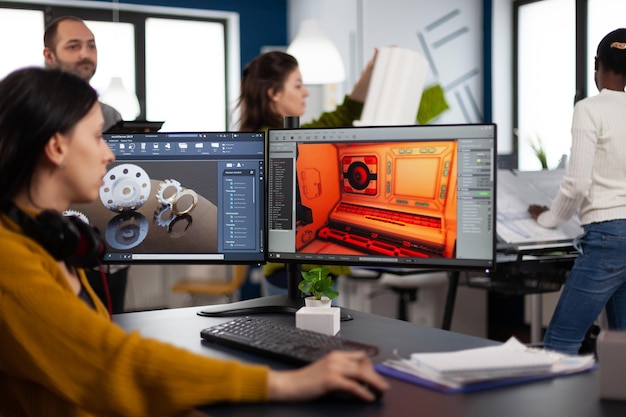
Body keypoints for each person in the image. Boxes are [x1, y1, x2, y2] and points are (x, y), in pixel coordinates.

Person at [0, 67, 389, 417]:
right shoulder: (10, 263)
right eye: (98, 137)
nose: (110, 153)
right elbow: (107, 365)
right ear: (56, 147)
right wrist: (285, 382)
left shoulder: (45, 239)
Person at [236, 50, 377, 295]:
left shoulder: (257, 141)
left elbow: (345, 114)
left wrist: (372, 68)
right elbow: (344, 115)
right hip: (302, 274)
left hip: (287, 272)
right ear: (274, 93)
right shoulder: (279, 143)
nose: (306, 92)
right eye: (298, 85)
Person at [528, 28, 626, 355]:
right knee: (622, 344)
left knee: (560, 344)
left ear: (596, 63)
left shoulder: (588, 109)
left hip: (607, 239)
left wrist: (547, 218)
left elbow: (577, 184)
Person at [43, 15, 127, 313]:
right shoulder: (32, 112)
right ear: (49, 55)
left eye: (91, 46)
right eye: (74, 46)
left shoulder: (111, 113)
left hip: (103, 247)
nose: (85, 54)